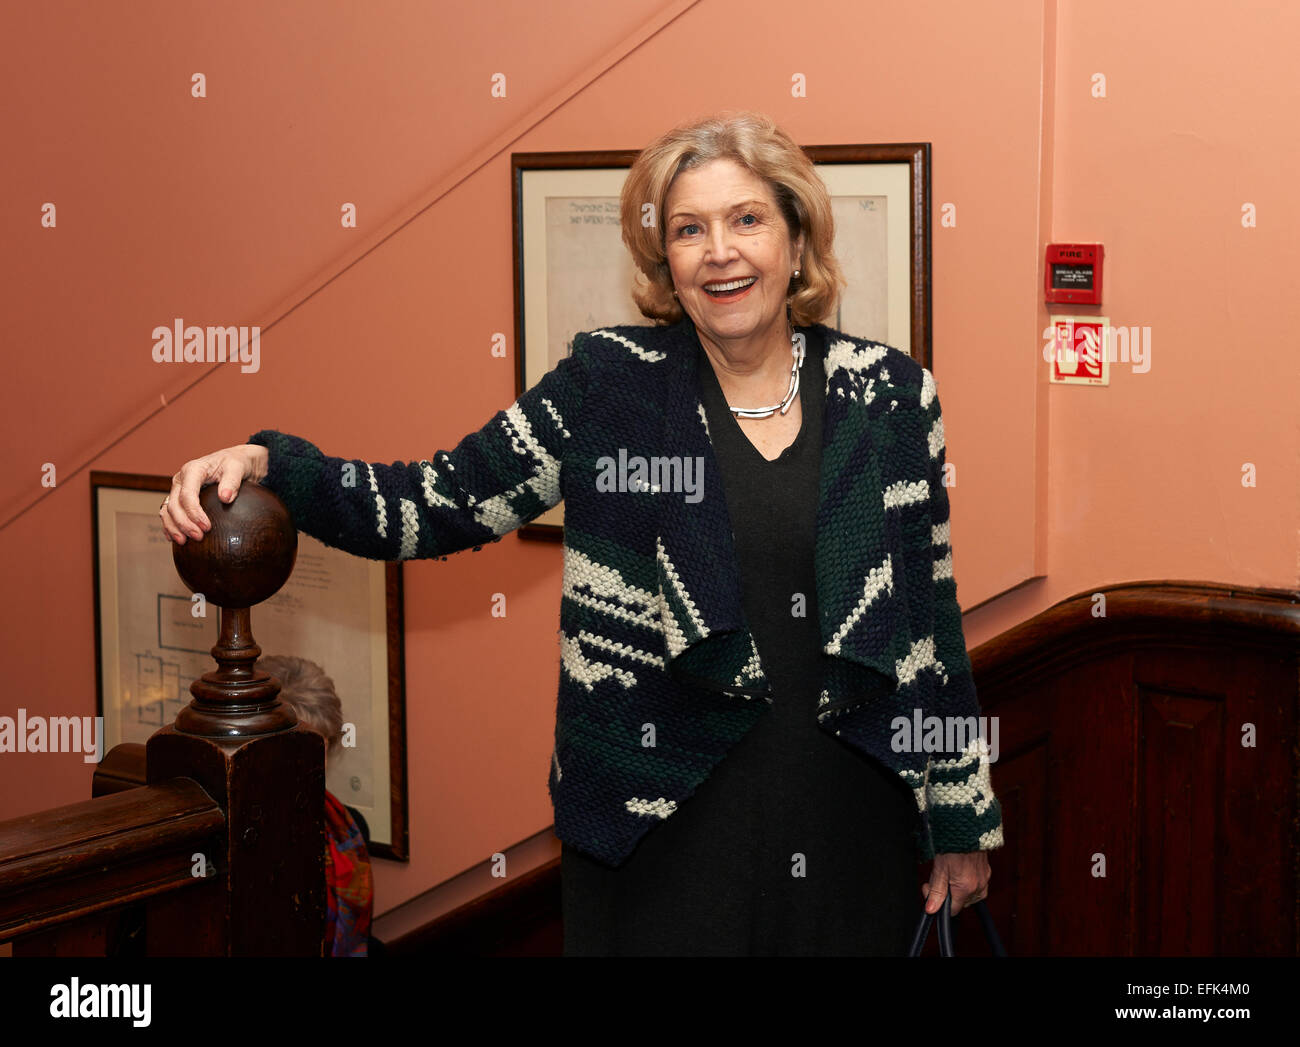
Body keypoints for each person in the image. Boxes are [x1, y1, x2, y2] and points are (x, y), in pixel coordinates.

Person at [160, 109, 1003, 956]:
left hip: (853, 821)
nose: (720, 251)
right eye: (689, 230)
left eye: (746, 219)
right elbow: (437, 501)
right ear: (663, 259)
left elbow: (930, 616)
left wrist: (961, 814)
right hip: (658, 829)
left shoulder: (893, 397)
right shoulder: (609, 387)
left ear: (794, 238)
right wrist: (274, 465)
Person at [256, 653, 377, 957]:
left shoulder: (346, 828)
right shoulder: (238, 836)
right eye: (295, 752)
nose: (309, 766)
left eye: (320, 749)